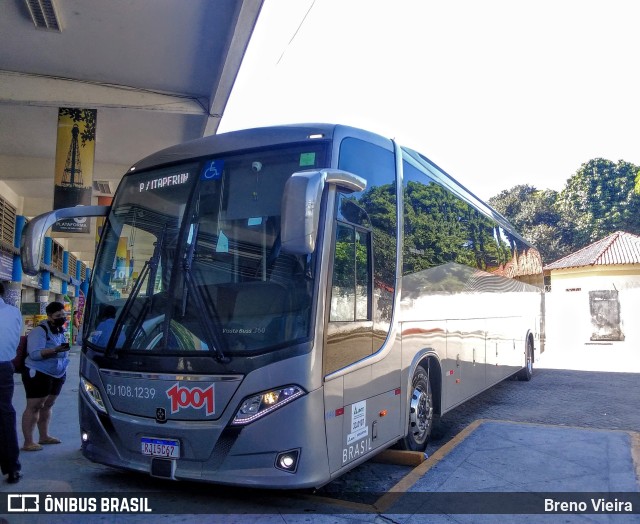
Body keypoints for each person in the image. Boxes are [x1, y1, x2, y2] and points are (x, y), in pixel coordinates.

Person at [20, 301, 70, 452]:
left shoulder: (60, 330)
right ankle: (28, 441)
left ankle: (44, 436)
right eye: (58, 315)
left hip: (57, 372)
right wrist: (54, 350)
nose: (62, 317)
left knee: (48, 404)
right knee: (35, 405)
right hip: (38, 372)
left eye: (63, 314)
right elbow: (34, 354)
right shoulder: (39, 331)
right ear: (49, 316)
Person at [0, 283, 23, 483]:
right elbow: (15, 341)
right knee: (5, 415)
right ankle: (12, 468)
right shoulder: (14, 312)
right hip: (4, 368)